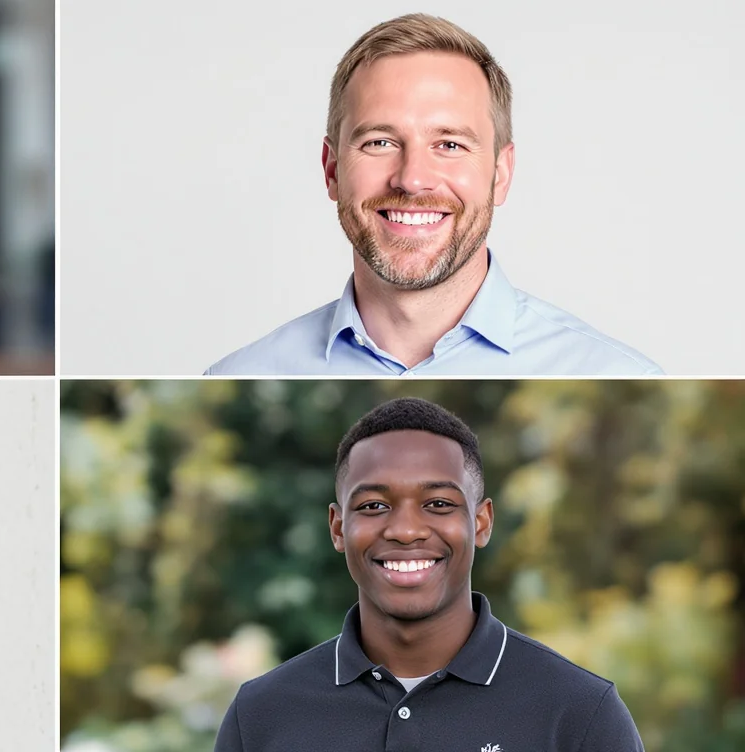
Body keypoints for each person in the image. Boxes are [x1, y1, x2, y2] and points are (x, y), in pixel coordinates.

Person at [206, 15, 659, 376]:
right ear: (332, 169)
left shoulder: (615, 372)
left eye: (450, 144)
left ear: (500, 174)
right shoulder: (239, 374)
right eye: (379, 142)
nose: (413, 179)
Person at [214, 397, 643, 751]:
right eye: (373, 506)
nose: (405, 530)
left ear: (481, 522)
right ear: (338, 528)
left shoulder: (580, 713)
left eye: (438, 503)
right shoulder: (260, 715)